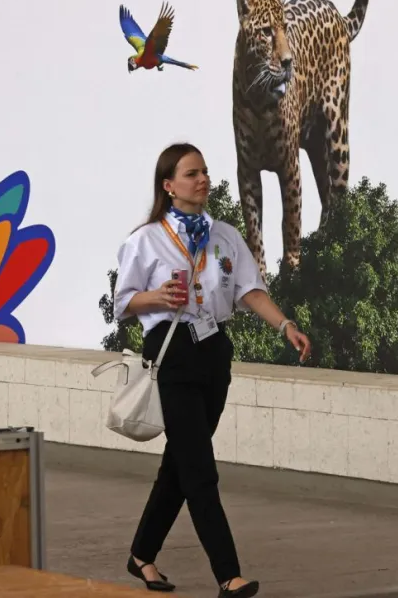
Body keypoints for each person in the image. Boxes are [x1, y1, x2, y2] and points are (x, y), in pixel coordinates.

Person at [112, 142, 311, 598]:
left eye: (204, 171)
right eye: (190, 173)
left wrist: (286, 325)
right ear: (169, 185)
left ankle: (142, 555)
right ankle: (228, 575)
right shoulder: (146, 240)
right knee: (200, 469)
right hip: (172, 350)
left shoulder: (223, 235)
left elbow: (249, 290)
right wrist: (157, 297)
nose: (202, 179)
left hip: (213, 351)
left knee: (180, 465)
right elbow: (124, 303)